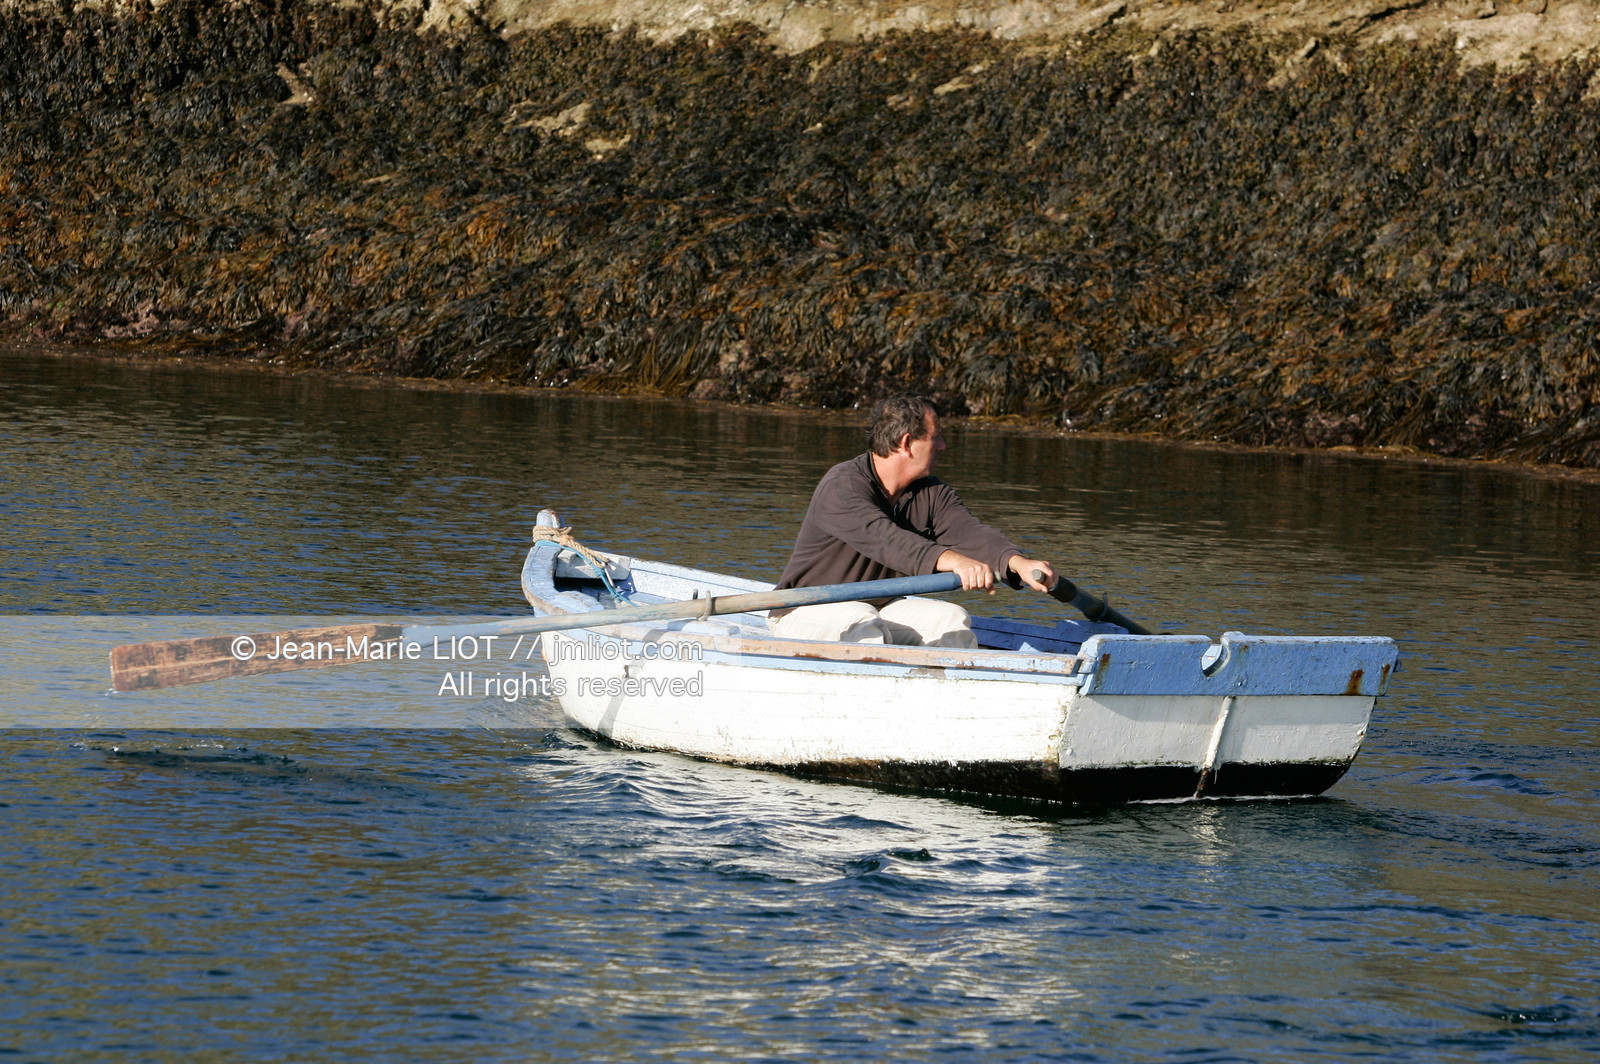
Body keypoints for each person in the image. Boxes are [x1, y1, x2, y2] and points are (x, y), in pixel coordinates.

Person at [769, 394, 1057, 647]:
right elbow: (887, 540)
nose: (943, 446)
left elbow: (970, 531)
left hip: (878, 608)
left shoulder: (931, 492)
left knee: (951, 620)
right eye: (936, 437)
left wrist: (1017, 562)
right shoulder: (842, 486)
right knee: (862, 623)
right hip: (805, 608)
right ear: (907, 443)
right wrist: (955, 562)